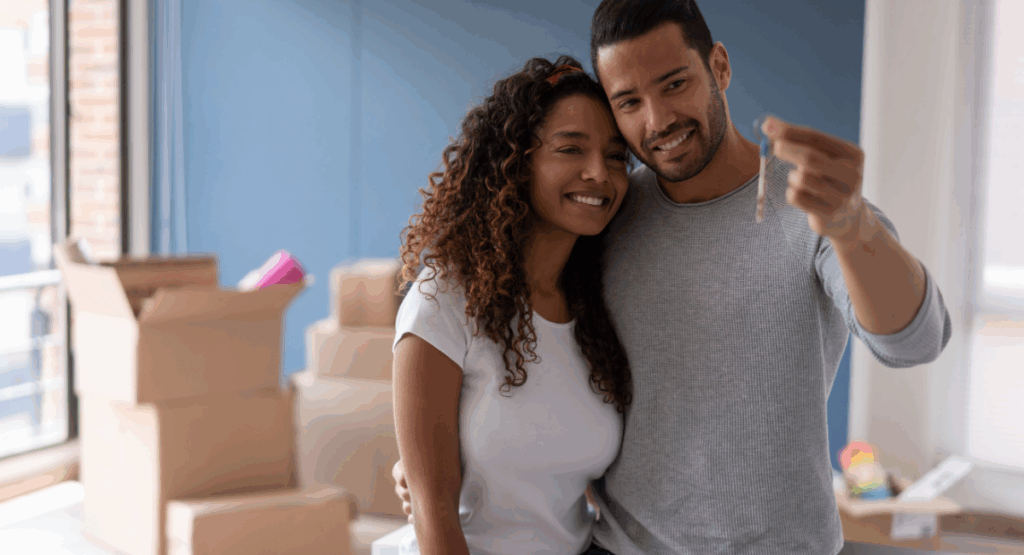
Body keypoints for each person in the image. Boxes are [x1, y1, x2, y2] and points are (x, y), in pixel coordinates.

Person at [393, 1, 953, 554]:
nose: (657, 120)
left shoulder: (814, 211)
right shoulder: (609, 215)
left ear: (720, 67)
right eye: (628, 102)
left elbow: (914, 343)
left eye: (675, 84)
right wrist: (435, 465)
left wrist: (854, 230)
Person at [391, 55, 634, 555]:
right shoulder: (443, 300)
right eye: (571, 149)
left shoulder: (595, 311)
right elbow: (433, 515)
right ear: (515, 161)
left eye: (615, 157)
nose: (598, 174)